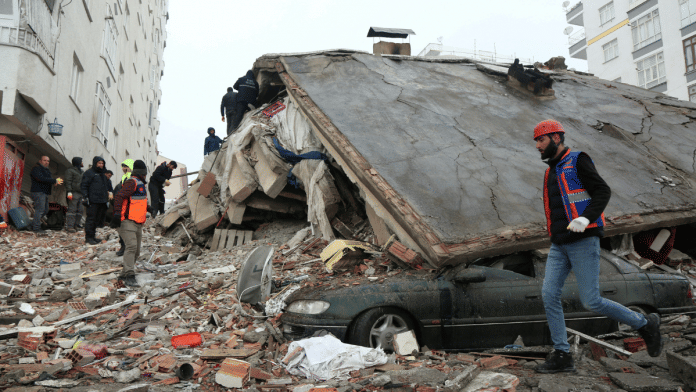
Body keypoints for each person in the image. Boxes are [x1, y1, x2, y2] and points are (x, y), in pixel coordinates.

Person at [533, 120, 663, 374]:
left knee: (591, 301)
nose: (537, 146)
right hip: (560, 244)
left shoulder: (578, 160)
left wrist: (586, 218)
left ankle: (645, 323)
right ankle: (562, 354)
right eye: (537, 141)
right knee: (549, 295)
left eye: (541, 140)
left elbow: (602, 191)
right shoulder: (550, 170)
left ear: (556, 138)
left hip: (583, 240)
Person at [111, 159, 149, 287]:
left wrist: (149, 208)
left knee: (136, 251)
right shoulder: (131, 182)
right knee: (131, 247)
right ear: (142, 173)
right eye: (144, 173)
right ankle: (129, 275)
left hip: (137, 222)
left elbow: (138, 202)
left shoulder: (141, 185)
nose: (145, 176)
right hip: (126, 221)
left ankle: (123, 274)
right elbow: (119, 196)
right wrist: (116, 213)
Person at [29, 156, 63, 234]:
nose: (46, 162)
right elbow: (41, 178)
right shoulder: (36, 168)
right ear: (40, 161)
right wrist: (54, 180)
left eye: (48, 161)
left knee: (45, 210)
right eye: (45, 160)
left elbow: (47, 179)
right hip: (38, 192)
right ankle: (36, 228)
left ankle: (33, 225)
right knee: (40, 210)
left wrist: (54, 182)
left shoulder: (46, 170)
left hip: (44, 192)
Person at [80, 156, 109, 245]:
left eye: (102, 163)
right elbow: (84, 185)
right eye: (99, 163)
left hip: (102, 201)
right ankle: (88, 238)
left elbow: (105, 187)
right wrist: (85, 197)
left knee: (97, 220)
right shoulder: (89, 173)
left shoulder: (103, 174)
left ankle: (93, 236)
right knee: (91, 219)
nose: (101, 165)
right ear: (95, 163)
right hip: (93, 200)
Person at [114, 159, 134, 256]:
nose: (123, 169)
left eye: (125, 167)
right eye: (123, 167)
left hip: (129, 208)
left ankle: (126, 248)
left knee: (127, 228)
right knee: (123, 227)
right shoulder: (124, 178)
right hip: (123, 207)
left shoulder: (131, 179)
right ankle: (124, 246)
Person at [64, 157, 84, 233]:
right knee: (72, 210)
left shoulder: (82, 172)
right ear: (78, 162)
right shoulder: (70, 171)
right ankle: (70, 226)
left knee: (80, 210)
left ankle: (76, 225)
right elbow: (68, 181)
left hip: (81, 193)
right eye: (81, 161)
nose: (82, 163)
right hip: (73, 193)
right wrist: (69, 191)